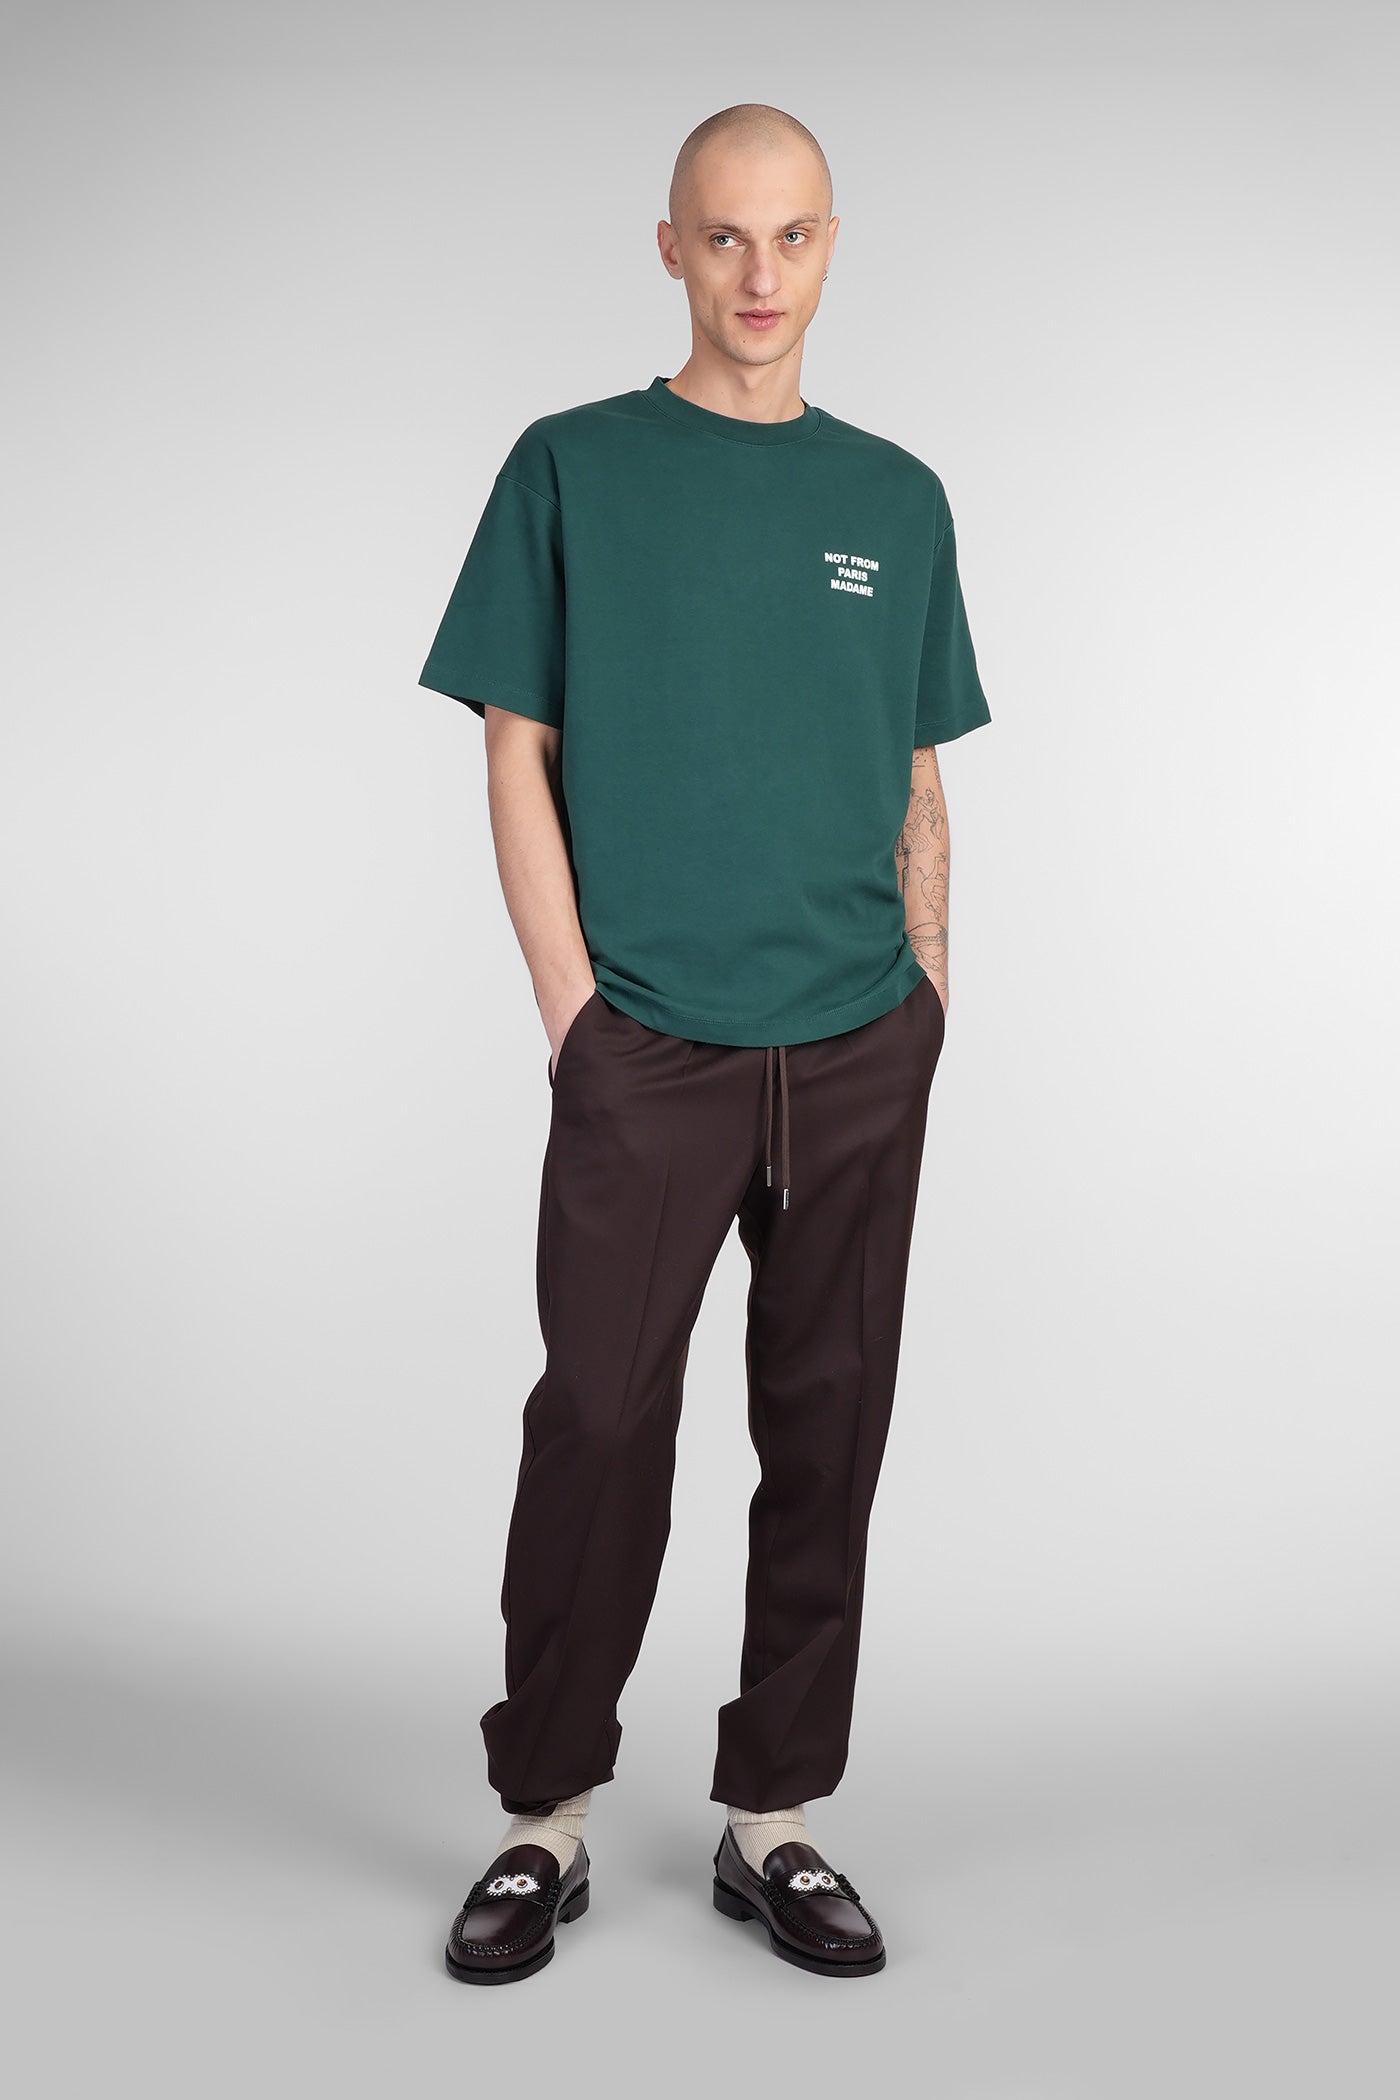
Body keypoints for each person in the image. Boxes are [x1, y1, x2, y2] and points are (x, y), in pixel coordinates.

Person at [419, 103, 991, 1983]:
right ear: (669, 246)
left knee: (830, 1426)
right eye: (725, 237)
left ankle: (776, 1817)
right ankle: (543, 1817)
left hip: (856, 1042)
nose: (761, 275)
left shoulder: (897, 499)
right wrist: (574, 1017)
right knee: (598, 1422)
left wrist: (928, 994)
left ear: (834, 247)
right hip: (648, 1041)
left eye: (793, 236)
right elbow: (514, 747)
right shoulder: (572, 467)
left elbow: (917, 771)